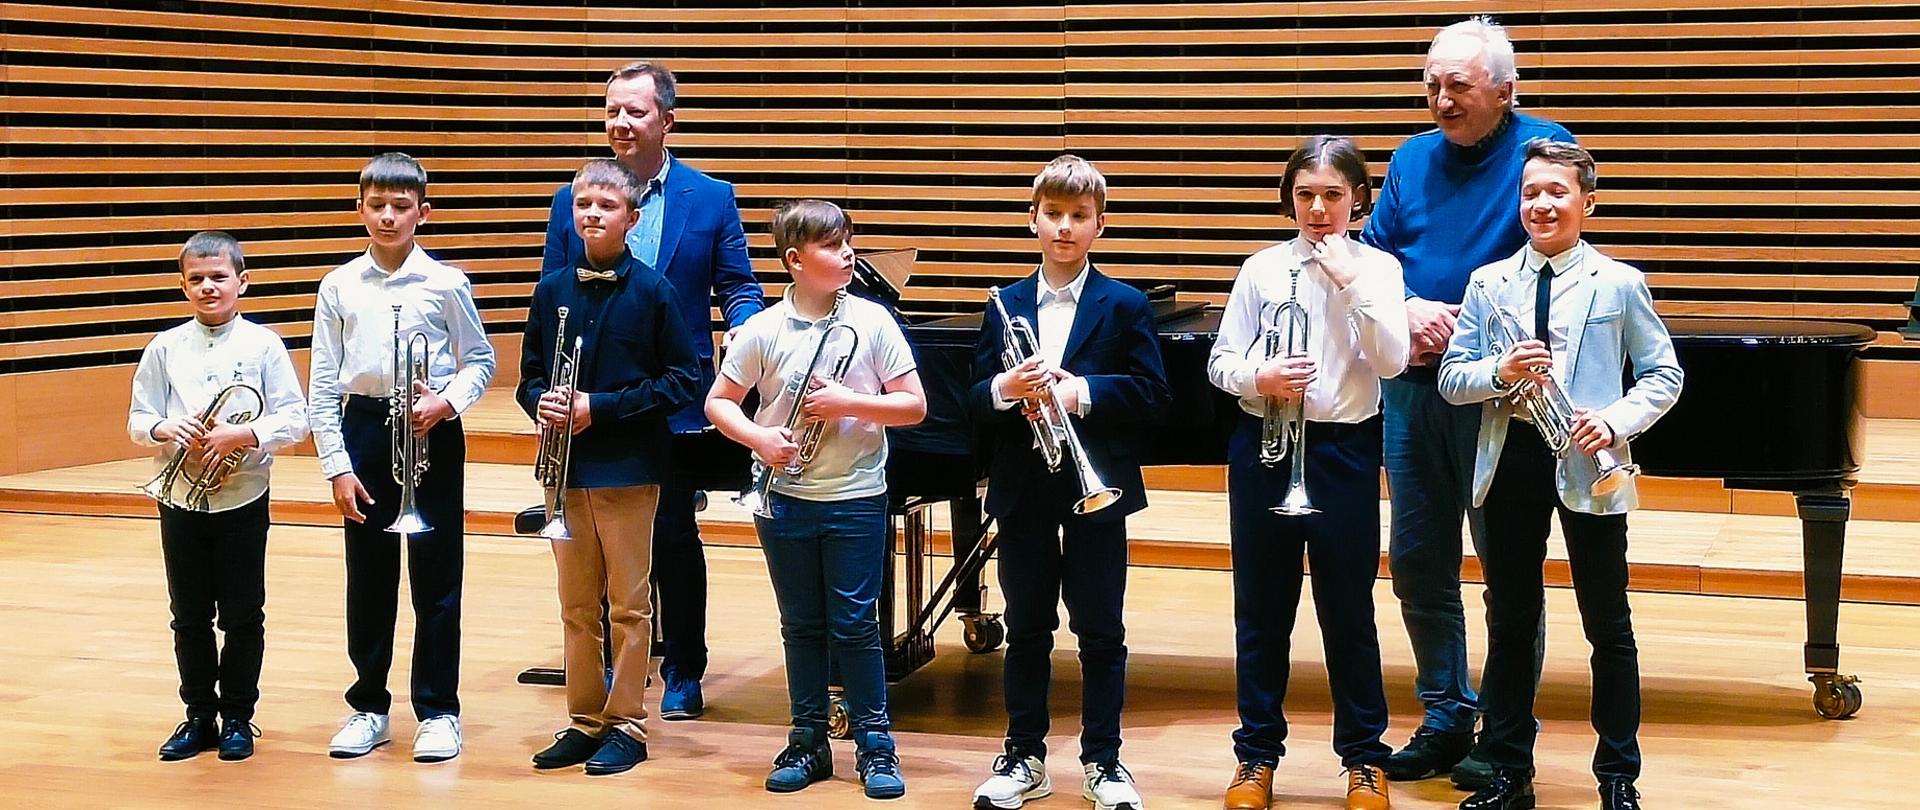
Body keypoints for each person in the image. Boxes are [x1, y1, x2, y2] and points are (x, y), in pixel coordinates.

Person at [1359, 16, 1576, 788]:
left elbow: (1559, 250)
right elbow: (1373, 258)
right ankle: (1446, 714)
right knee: (1419, 563)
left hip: (1501, 396)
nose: (1440, 100)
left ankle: (1507, 731)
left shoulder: (1543, 149)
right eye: (1430, 85)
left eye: (1457, 85)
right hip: (1414, 389)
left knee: (1508, 572)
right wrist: (1408, 307)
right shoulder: (1411, 158)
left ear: (1505, 91)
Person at [1438, 140, 1680, 810]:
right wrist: (1499, 372)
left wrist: (1617, 420)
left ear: (1587, 203)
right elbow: (1454, 380)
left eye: (1557, 192)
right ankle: (1510, 772)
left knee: (1608, 622)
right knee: (1512, 620)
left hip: (1588, 455)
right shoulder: (1488, 284)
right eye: (1530, 193)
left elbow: (1664, 375)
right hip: (1511, 456)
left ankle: (1618, 776)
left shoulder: (1620, 282)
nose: (1542, 204)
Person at [543, 61, 766, 720]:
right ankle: (606, 670)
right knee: (594, 544)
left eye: (635, 111)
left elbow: (739, 286)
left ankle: (685, 669)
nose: (620, 122)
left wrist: (750, 336)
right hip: (588, 400)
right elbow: (554, 292)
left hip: (672, 398)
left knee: (671, 535)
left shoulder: (712, 196)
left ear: (667, 120)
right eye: (612, 110)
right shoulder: (572, 197)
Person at [1209, 136, 1408, 810]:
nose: (1318, 208)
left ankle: (1363, 759)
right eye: (1305, 195)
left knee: (1348, 613)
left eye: (1332, 195)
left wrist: (1353, 286)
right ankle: (1255, 757)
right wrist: (1256, 375)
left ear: (1357, 199)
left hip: (1344, 452)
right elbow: (1221, 361)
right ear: (1288, 198)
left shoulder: (1380, 268)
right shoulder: (1261, 268)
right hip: (1266, 446)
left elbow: (1391, 361)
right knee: (1261, 612)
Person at [968, 156, 1170, 810]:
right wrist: (1006, 390)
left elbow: (1152, 395)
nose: (1064, 226)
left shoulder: (1126, 305)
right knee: (1027, 625)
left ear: (1099, 225)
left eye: (1078, 216)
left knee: (1101, 630)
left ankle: (1103, 760)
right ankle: (1024, 754)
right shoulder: (1003, 304)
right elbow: (972, 397)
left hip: (1096, 489)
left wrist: (1077, 392)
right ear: (1033, 221)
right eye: (1052, 214)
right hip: (1025, 487)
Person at [707, 199, 925, 800]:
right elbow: (719, 402)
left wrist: (848, 404)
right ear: (795, 260)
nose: (848, 253)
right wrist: (758, 436)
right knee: (800, 626)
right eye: (833, 246)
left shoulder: (873, 322)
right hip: (787, 496)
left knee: (856, 626)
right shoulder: (762, 329)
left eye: (849, 241)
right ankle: (807, 740)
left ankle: (877, 746)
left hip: (856, 495)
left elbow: (913, 406)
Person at [310, 152, 496, 762]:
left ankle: (439, 710)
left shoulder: (446, 282)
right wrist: (337, 466)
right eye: (376, 206)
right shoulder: (337, 285)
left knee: (438, 578)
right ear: (358, 209)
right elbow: (323, 386)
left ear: (424, 212)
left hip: (432, 430)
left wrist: (448, 402)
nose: (388, 217)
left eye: (401, 206)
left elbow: (480, 360)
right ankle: (368, 705)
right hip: (364, 429)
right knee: (367, 578)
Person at [520, 159, 701, 775]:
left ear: (632, 217)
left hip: (627, 467)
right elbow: (528, 378)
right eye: (582, 206)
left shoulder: (655, 292)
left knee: (628, 606)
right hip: (565, 473)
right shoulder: (550, 292)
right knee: (576, 608)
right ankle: (584, 719)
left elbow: (683, 380)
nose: (592, 215)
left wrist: (602, 407)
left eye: (605, 206)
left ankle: (627, 722)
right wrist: (540, 400)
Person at [133, 231, 308, 762]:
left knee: (241, 614)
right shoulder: (164, 347)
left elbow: (294, 418)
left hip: (243, 495)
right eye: (197, 279)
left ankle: (237, 716)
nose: (209, 287)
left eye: (219, 277)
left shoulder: (264, 345)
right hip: (181, 497)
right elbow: (139, 419)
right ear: (183, 286)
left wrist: (244, 434)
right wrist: (167, 429)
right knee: (187, 615)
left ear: (242, 282)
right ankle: (198, 716)